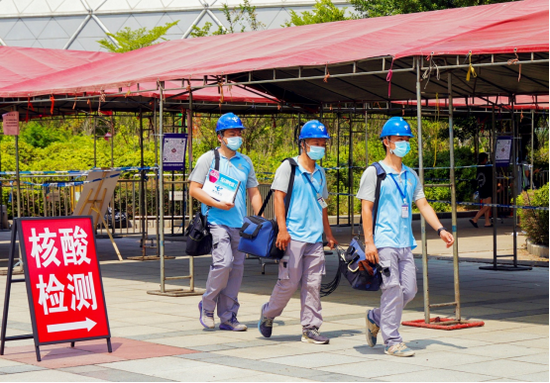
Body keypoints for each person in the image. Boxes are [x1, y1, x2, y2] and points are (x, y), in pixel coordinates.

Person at [357, 117, 455, 357]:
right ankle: (392, 340)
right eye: (399, 139)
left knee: (408, 291)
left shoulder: (410, 175)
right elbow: (366, 208)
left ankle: (376, 317)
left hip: (404, 243)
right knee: (392, 289)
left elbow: (422, 204)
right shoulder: (375, 173)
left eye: (407, 140)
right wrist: (369, 242)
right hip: (384, 241)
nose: (404, 144)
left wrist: (440, 229)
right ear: (386, 141)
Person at [258, 120, 338, 344]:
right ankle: (268, 314)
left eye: (323, 143)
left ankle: (310, 328)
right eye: (315, 143)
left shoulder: (320, 172)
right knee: (289, 283)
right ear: (303, 144)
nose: (320, 147)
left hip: (314, 238)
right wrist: (283, 229)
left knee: (313, 284)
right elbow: (278, 198)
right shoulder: (289, 167)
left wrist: (328, 233)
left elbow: (322, 204)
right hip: (292, 236)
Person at [189, 112, 263, 331]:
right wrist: (217, 204)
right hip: (217, 221)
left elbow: (254, 192)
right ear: (220, 136)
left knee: (237, 269)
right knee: (224, 263)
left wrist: (259, 219)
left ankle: (229, 317)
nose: (237, 136)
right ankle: (208, 306)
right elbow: (194, 189)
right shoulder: (208, 159)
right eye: (232, 133)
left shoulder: (245, 162)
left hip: (239, 225)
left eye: (239, 132)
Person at [470, 152, 494, 228]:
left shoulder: (479, 166)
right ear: (485, 159)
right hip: (487, 187)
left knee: (486, 205)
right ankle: (475, 218)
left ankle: (487, 222)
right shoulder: (487, 167)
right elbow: (490, 176)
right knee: (488, 205)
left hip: (481, 187)